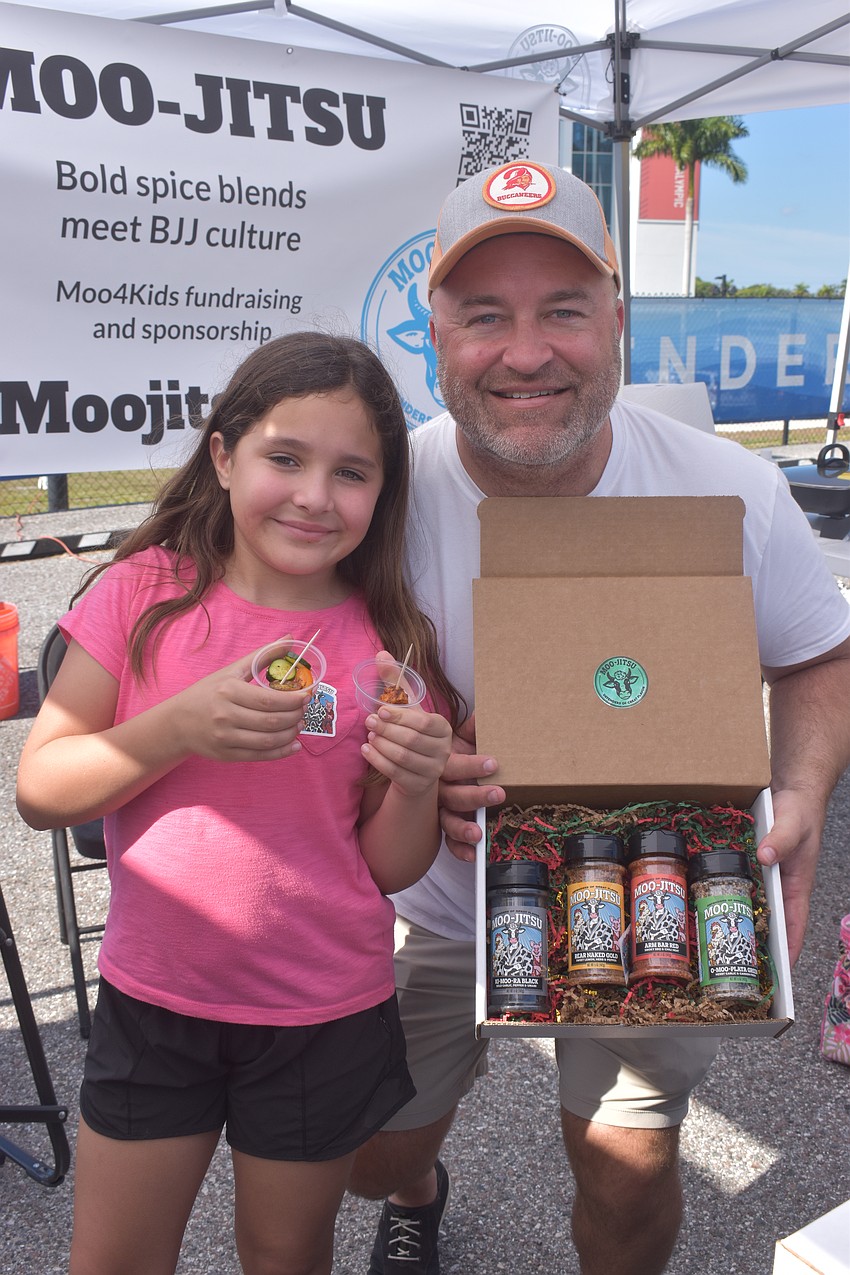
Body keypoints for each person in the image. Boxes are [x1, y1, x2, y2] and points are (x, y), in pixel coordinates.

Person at [349, 160, 850, 1275]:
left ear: (617, 320)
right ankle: (418, 1190)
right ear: (433, 333)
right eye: (486, 316)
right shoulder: (374, 495)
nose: (525, 352)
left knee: (625, 1180)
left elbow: (820, 653)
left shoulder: (729, 489)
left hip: (656, 880)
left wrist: (803, 794)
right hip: (431, 903)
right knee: (371, 1157)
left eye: (562, 310)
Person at [15, 332, 459, 1275]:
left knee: (286, 1255)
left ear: (382, 495)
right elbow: (41, 790)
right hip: (155, 1000)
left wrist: (417, 777)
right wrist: (175, 727)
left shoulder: (391, 638)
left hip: (324, 1013)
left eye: (351, 472)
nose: (312, 495)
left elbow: (388, 865)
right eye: (285, 458)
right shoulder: (142, 595)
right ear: (223, 455)